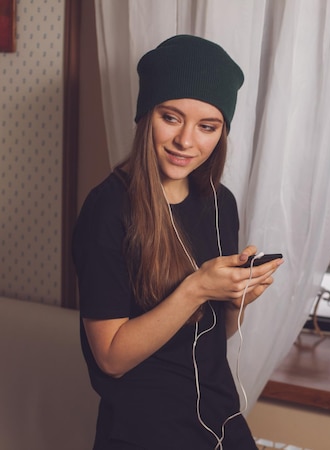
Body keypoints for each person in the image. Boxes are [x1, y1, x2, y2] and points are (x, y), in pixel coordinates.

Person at [72, 35, 282, 450]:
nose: (187, 141)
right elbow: (111, 359)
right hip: (142, 431)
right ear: (145, 114)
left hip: (220, 422)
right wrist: (197, 288)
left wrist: (236, 297)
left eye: (208, 126)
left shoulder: (220, 203)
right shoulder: (107, 208)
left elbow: (211, 337)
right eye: (171, 117)